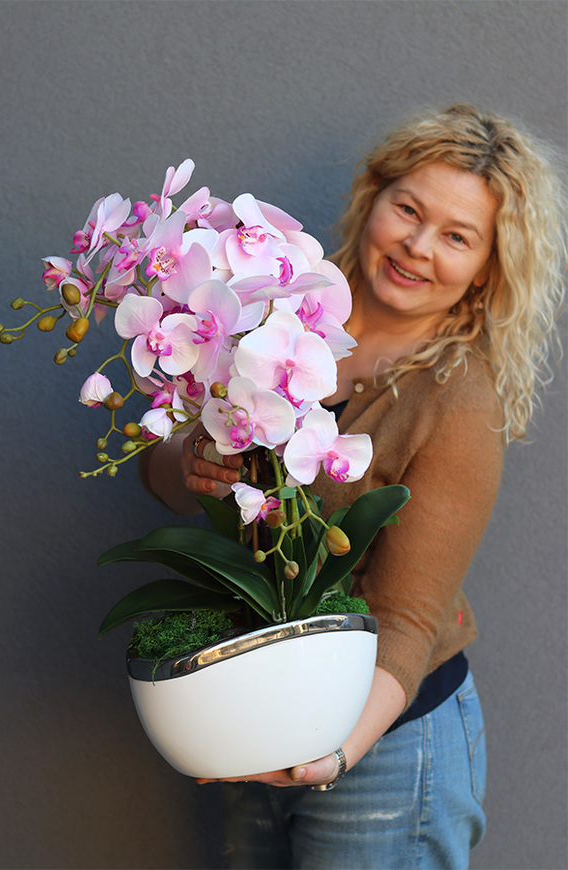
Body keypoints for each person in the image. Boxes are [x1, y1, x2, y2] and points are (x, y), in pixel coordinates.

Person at [140, 104, 566, 869]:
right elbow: (163, 473)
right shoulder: (271, 310)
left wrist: (331, 757)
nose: (418, 246)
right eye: (409, 209)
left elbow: (406, 616)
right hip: (261, 711)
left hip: (386, 742)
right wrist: (193, 459)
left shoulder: (456, 401)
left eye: (457, 237)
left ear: (486, 267)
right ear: (374, 195)